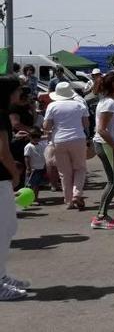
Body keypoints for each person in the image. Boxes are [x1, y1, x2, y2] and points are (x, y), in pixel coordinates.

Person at [0, 76, 30, 300]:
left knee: (8, 228)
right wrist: (14, 173)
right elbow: (2, 150)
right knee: (4, 230)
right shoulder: (1, 115)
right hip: (1, 177)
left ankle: (1, 276)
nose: (21, 94)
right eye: (18, 91)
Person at [43, 82, 90, 209]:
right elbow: (86, 124)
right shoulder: (79, 105)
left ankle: (68, 200)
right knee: (80, 168)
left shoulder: (52, 106)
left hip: (59, 140)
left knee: (64, 172)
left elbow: (46, 127)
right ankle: (77, 194)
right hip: (78, 138)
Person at [92, 71, 114, 229]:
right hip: (106, 145)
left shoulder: (112, 102)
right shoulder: (108, 103)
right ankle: (100, 217)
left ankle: (103, 214)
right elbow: (102, 129)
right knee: (113, 182)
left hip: (111, 144)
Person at [23, 129, 47, 205]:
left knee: (37, 185)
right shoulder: (28, 146)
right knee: (32, 186)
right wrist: (28, 168)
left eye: (38, 136)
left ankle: (35, 198)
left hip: (40, 168)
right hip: (33, 169)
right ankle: (31, 199)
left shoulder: (40, 145)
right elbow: (27, 157)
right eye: (34, 136)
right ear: (29, 137)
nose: (36, 138)